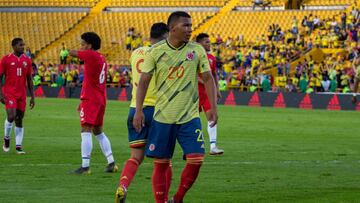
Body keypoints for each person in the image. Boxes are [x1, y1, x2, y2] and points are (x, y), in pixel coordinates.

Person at [133, 11, 218, 203]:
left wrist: (213, 107)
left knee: (196, 159)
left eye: (190, 25)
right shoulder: (155, 51)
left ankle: (178, 198)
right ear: (173, 28)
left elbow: (207, 78)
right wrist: (138, 110)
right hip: (163, 117)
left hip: (189, 117)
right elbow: (144, 82)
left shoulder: (197, 50)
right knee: (161, 164)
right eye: (185, 25)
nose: (190, 29)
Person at [115, 22, 171, 203]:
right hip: (157, 110)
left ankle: (123, 186)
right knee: (163, 160)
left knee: (135, 157)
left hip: (135, 108)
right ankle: (161, 200)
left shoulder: (136, 53)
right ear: (165, 36)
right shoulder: (163, 54)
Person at [69, 32, 117, 174]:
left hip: (91, 98)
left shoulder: (90, 54)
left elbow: (72, 53)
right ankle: (111, 163)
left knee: (85, 130)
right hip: (100, 98)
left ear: (89, 45)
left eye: (83, 44)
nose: (81, 46)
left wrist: (66, 49)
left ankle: (85, 166)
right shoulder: (101, 57)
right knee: (98, 131)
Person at [0, 38, 35, 154]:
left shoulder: (27, 60)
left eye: (23, 45)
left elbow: (29, 79)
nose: (23, 47)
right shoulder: (6, 59)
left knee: (19, 120)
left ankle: (18, 147)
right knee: (11, 115)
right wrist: (1, 94)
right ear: (14, 46)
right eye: (20, 45)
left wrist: (33, 97)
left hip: (22, 94)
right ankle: (6, 138)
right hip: (9, 93)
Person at [195, 33, 224, 155]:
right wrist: (205, 82)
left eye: (209, 42)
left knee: (212, 117)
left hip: (207, 94)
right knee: (190, 120)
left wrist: (216, 89)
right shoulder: (193, 56)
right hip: (194, 93)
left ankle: (213, 147)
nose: (209, 44)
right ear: (199, 44)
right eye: (206, 42)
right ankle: (191, 147)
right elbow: (193, 74)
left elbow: (214, 75)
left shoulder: (212, 58)